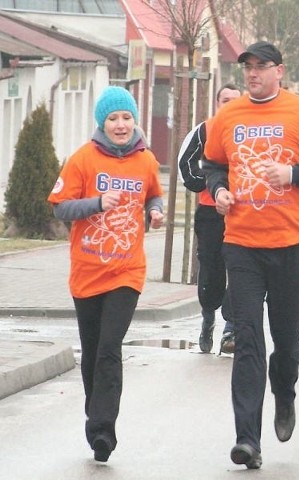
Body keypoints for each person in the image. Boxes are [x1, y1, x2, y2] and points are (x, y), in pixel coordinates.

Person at [201, 41, 299, 469]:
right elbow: (212, 166)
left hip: (291, 245)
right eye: (247, 67)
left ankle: (285, 392)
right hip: (241, 244)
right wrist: (219, 190)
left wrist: (292, 173)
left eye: (261, 67)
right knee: (247, 341)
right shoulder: (228, 116)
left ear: (279, 71)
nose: (253, 74)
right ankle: (247, 439)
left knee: (286, 342)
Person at [47, 86, 164, 462]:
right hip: (87, 271)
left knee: (110, 349)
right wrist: (97, 202)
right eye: (113, 118)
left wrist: (156, 211)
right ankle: (95, 414)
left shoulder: (145, 160)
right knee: (93, 351)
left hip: (127, 271)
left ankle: (103, 432)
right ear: (102, 122)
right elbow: (60, 209)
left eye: (126, 117)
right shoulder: (83, 159)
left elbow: (153, 195)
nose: (120, 125)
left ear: (135, 120)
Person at [178, 83, 241, 355]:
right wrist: (209, 185)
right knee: (211, 270)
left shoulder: (248, 132)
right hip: (209, 212)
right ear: (217, 103)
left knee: (239, 269)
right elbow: (185, 165)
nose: (229, 105)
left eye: (235, 101)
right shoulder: (204, 130)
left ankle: (231, 326)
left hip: (241, 213)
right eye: (225, 100)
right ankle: (207, 316)